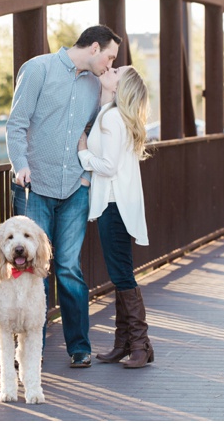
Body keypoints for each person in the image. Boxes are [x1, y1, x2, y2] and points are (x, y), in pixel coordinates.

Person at [6, 25, 122, 368]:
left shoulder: (94, 85)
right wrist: (20, 164)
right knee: (30, 271)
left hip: (74, 189)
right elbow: (16, 124)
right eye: (111, 56)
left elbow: (91, 133)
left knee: (69, 268)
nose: (110, 63)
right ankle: (31, 352)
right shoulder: (38, 69)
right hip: (34, 187)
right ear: (95, 47)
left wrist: (86, 176)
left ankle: (79, 348)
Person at [77, 65, 155, 368]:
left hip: (114, 204)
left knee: (122, 274)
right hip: (119, 204)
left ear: (121, 87)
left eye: (117, 71)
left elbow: (107, 166)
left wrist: (83, 151)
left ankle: (139, 343)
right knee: (121, 271)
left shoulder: (111, 117)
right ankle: (125, 343)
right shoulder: (113, 114)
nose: (111, 68)